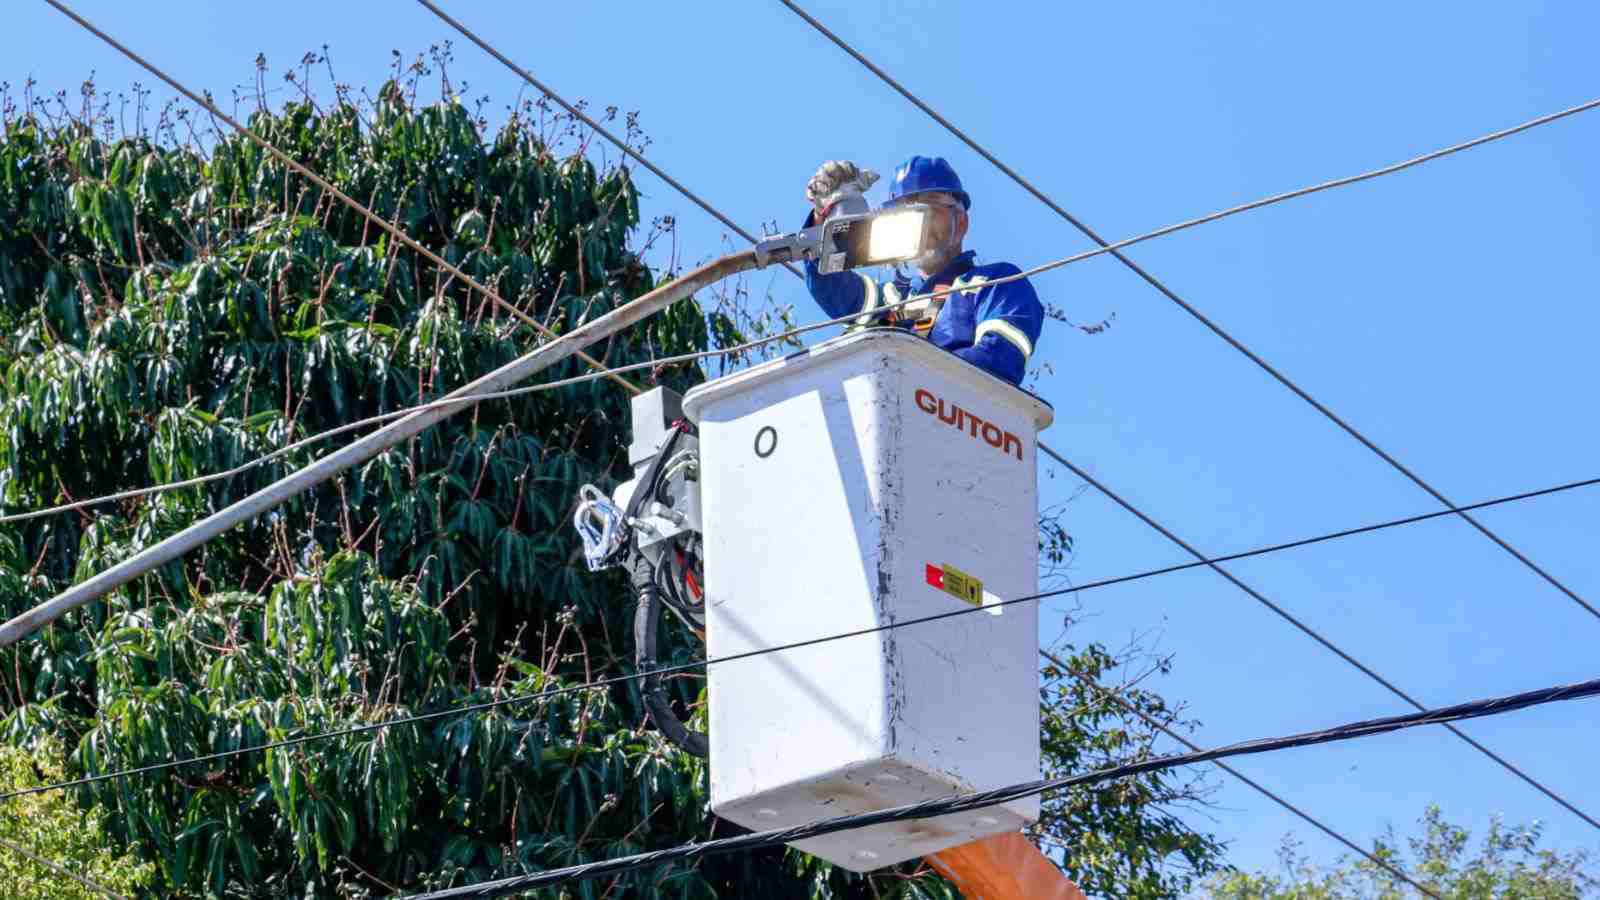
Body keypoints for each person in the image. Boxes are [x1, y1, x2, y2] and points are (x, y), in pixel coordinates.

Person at [801, 156, 1044, 386]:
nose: (920, 225)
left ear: (960, 223)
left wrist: (916, 380)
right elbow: (833, 289)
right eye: (904, 214)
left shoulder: (994, 283)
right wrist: (824, 220)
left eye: (928, 210)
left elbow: (999, 359)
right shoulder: (892, 299)